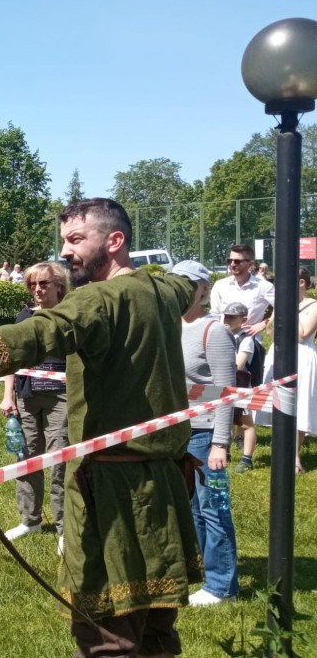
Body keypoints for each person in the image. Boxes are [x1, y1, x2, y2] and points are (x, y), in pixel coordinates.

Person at [0, 198, 201, 658]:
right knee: (155, 630)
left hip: (113, 490)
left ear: (115, 241)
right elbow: (191, 285)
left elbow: (36, 333)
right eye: (64, 240)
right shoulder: (161, 290)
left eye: (76, 239)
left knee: (107, 634)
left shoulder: (97, 299)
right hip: (165, 481)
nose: (65, 251)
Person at [174, 259, 240, 607]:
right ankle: (203, 571)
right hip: (178, 434)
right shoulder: (170, 328)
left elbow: (226, 393)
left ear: (203, 289)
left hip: (205, 434)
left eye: (189, 283)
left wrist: (220, 443)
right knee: (192, 509)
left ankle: (222, 585)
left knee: (214, 507)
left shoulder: (214, 331)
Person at [0, 262, 70, 550]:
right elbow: (12, 359)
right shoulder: (24, 317)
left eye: (43, 284)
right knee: (26, 458)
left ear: (59, 286)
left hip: (62, 397)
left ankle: (66, 528)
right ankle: (30, 520)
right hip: (27, 396)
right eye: (32, 284)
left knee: (60, 460)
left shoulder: (68, 315)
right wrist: (8, 396)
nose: (37, 290)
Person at [210, 245, 274, 341]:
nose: (232, 264)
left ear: (250, 264)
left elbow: (283, 308)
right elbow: (215, 314)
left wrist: (264, 323)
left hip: (251, 340)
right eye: (229, 261)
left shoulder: (264, 286)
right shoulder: (220, 285)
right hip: (224, 341)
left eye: (237, 261)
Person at [223, 302, 259, 473]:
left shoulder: (246, 340)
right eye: (226, 316)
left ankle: (247, 459)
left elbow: (239, 365)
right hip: (226, 384)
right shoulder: (223, 335)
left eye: (232, 317)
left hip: (241, 387)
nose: (227, 320)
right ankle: (225, 452)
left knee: (245, 423)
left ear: (243, 320)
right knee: (226, 420)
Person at [295, 268, 317, 475]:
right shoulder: (283, 304)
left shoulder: (314, 306)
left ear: (301, 282)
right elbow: (271, 331)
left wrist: (289, 310)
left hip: (302, 356)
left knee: (300, 405)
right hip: (279, 353)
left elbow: (302, 335)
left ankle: (294, 455)